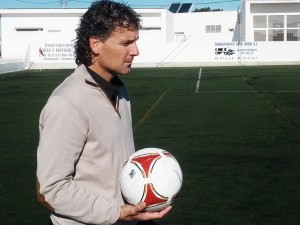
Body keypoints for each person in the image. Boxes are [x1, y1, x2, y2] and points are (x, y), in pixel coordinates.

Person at [36, 0, 172, 224]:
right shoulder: (67, 102)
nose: (135, 51)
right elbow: (49, 190)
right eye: (126, 43)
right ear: (96, 44)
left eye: (135, 41)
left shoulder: (120, 90)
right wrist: (116, 212)